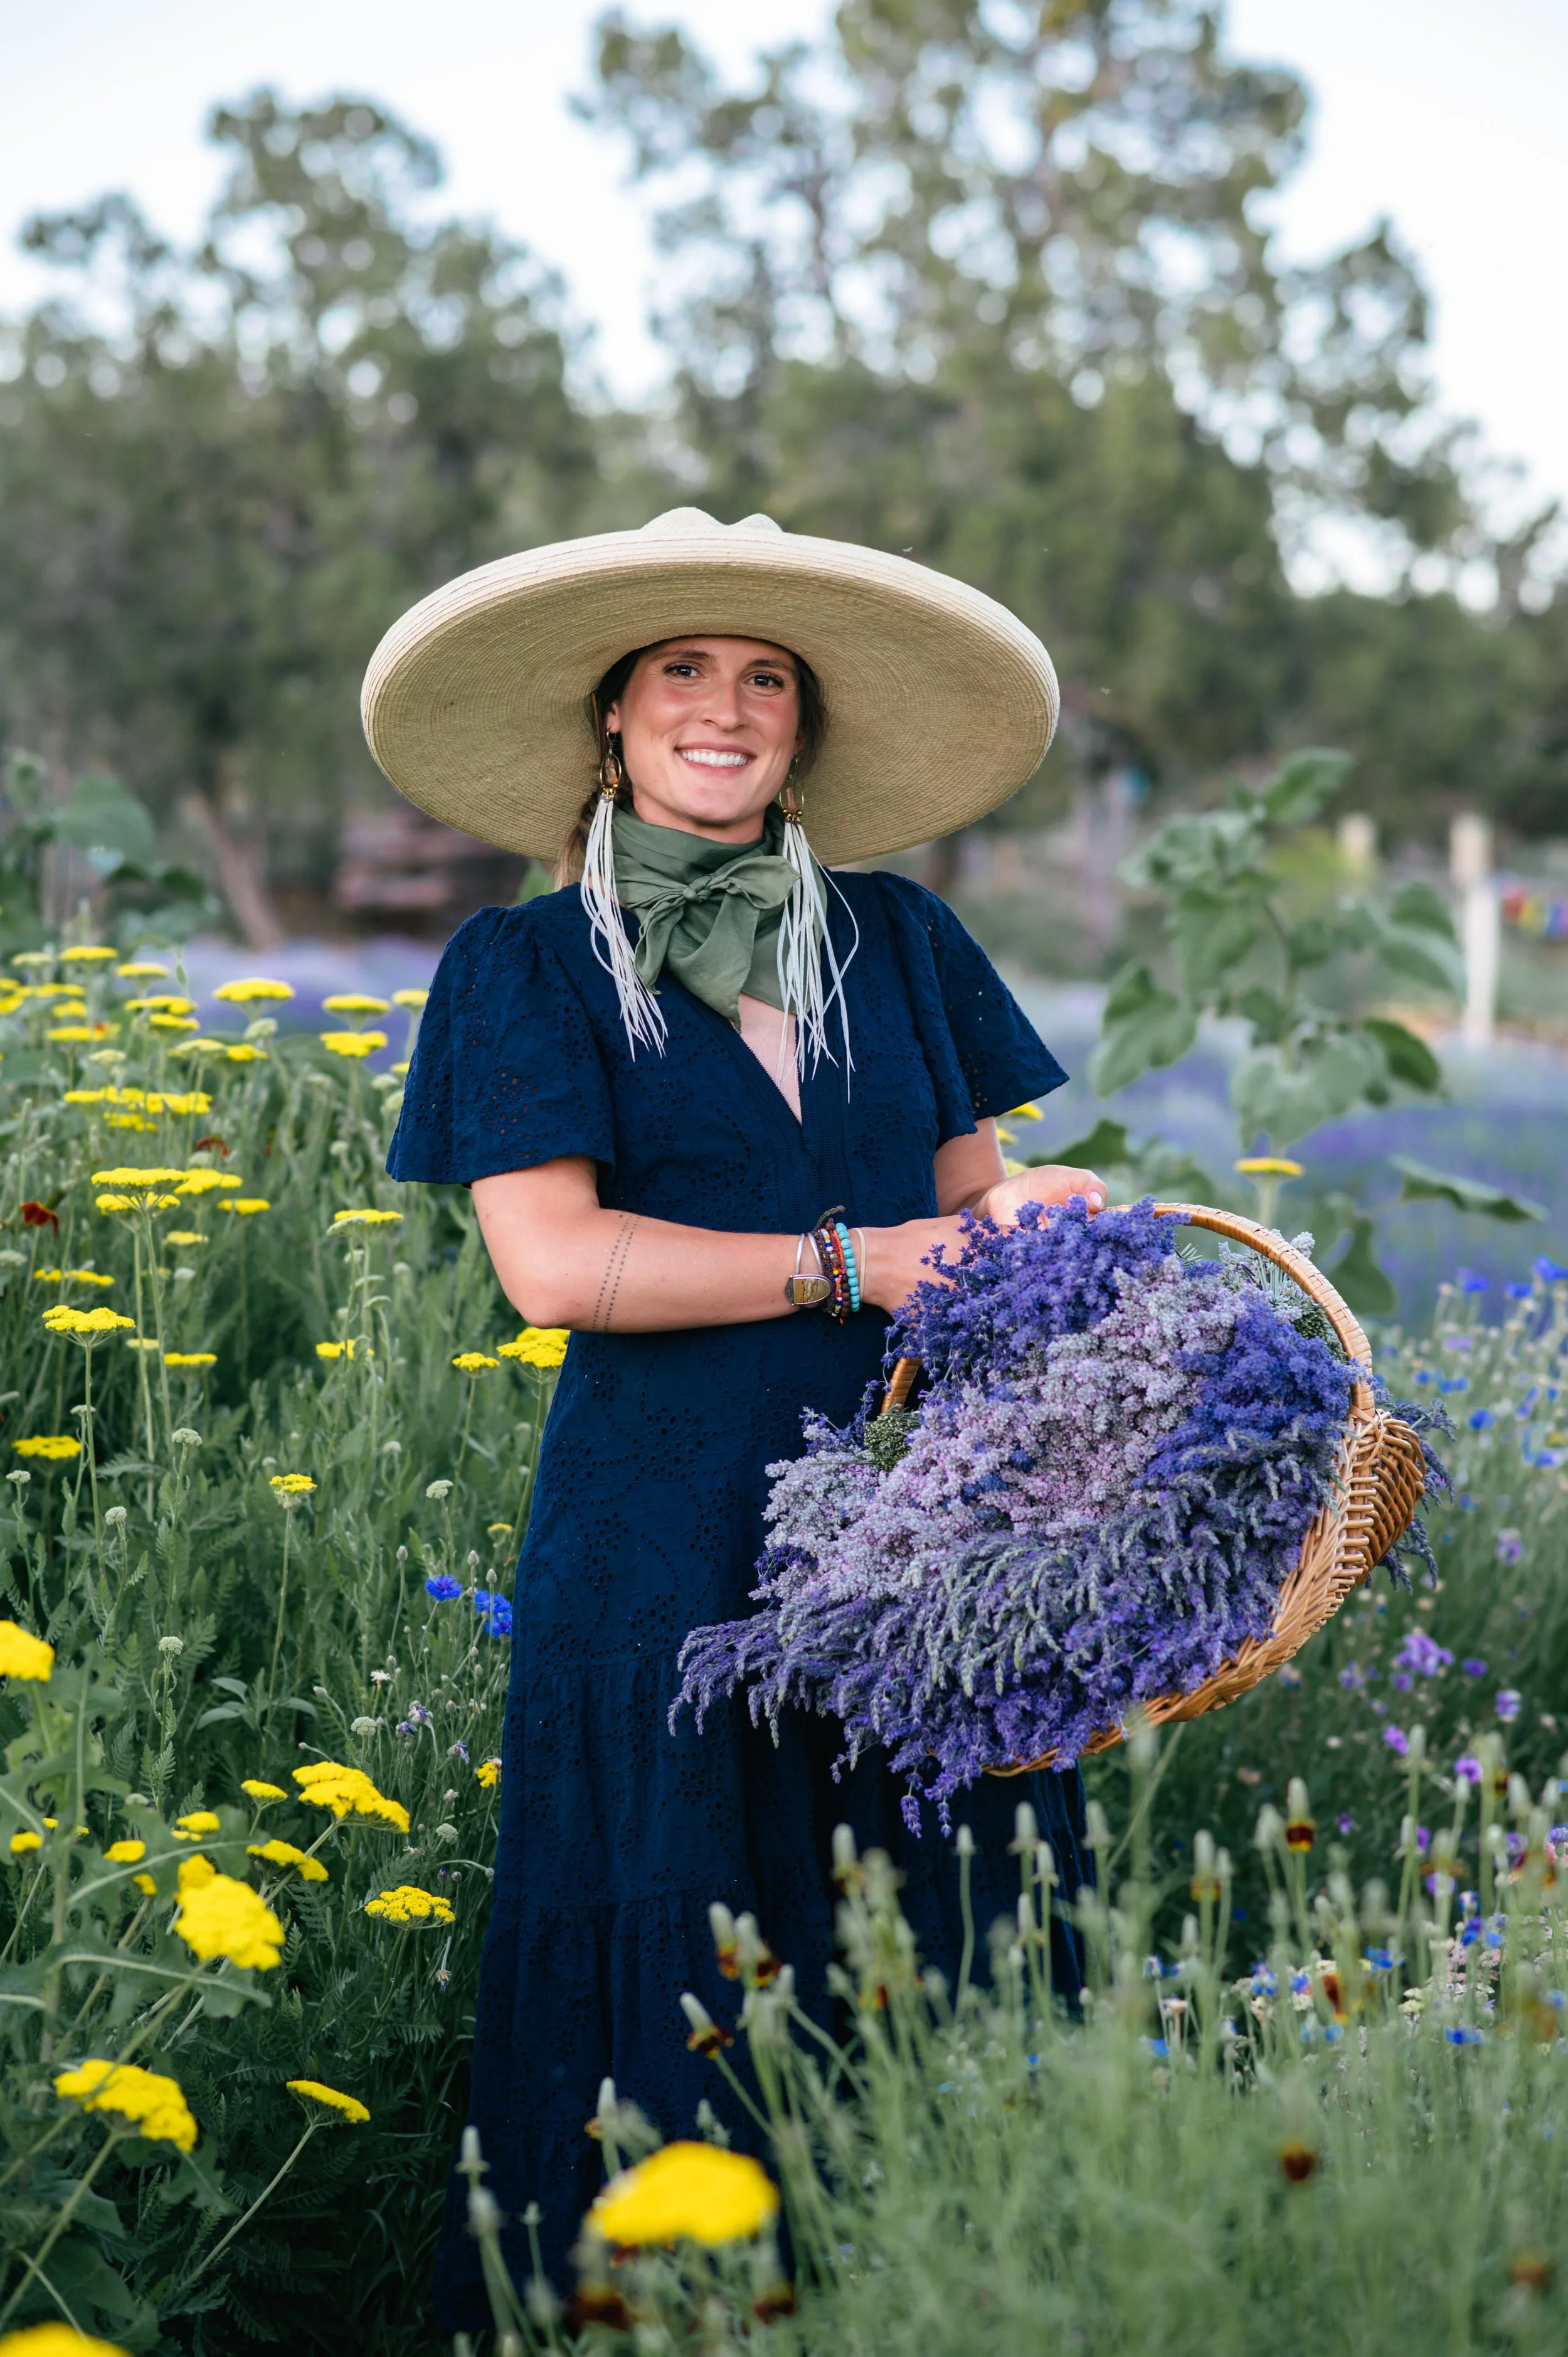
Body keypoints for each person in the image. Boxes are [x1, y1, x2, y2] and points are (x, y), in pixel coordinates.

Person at [366, 507, 1105, 2327]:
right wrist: (863, 1260)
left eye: (764, 677)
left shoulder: (903, 940)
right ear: (611, 716)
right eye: (684, 670)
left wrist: (1052, 1241)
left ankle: (913, 2304)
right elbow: (553, 1264)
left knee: (933, 1932)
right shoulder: (522, 968)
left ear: (804, 727)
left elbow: (968, 1223)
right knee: (678, 1955)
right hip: (663, 1540)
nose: (726, 705)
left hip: (922, 1546)